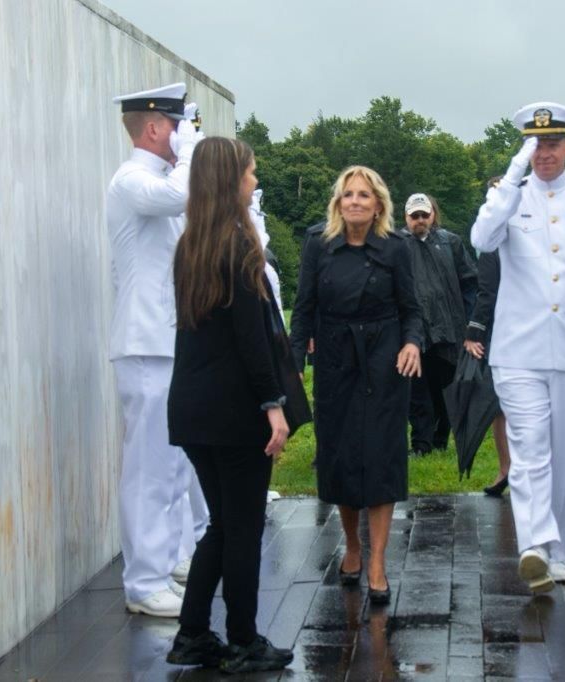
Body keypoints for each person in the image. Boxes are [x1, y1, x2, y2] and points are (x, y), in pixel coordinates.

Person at [470, 102, 565, 592]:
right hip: (518, 350)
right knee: (531, 448)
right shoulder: (508, 198)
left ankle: (558, 549)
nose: (545, 153)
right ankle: (534, 545)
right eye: (536, 144)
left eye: (553, 143)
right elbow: (481, 239)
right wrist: (511, 177)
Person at [164, 137, 295, 673]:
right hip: (235, 411)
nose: (255, 181)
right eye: (250, 173)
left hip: (193, 410)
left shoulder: (191, 244)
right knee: (241, 528)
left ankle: (193, 632)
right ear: (230, 180)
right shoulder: (239, 248)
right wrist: (273, 404)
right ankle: (242, 640)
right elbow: (251, 339)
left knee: (222, 524)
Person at [289, 166, 423, 605]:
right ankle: (352, 545)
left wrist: (412, 344)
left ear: (378, 204)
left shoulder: (397, 247)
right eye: (348, 195)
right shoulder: (318, 244)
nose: (355, 202)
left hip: (385, 359)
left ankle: (379, 559)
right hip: (334, 358)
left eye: (364, 195)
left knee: (382, 456)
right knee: (342, 455)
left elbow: (413, 308)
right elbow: (303, 307)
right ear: (337, 203)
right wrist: (295, 366)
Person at [107, 83, 205, 617]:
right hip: (144, 344)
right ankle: (143, 581)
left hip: (165, 341)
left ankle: (164, 564)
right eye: (176, 125)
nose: (181, 135)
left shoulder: (160, 183)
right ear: (153, 128)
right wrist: (191, 151)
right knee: (147, 468)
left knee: (169, 465)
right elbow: (183, 196)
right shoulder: (132, 181)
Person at [402, 192, 478, 455]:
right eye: (415, 216)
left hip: (449, 327)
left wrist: (471, 322)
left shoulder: (451, 243)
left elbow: (470, 282)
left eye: (424, 214)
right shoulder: (397, 245)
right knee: (416, 390)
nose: (420, 220)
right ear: (406, 217)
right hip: (414, 332)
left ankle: (441, 438)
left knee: (446, 386)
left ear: (433, 215)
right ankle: (421, 442)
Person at [462, 244, 511, 496]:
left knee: (499, 405)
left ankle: (507, 468)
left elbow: (487, 292)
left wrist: (474, 331)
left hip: (505, 331)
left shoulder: (494, 243)